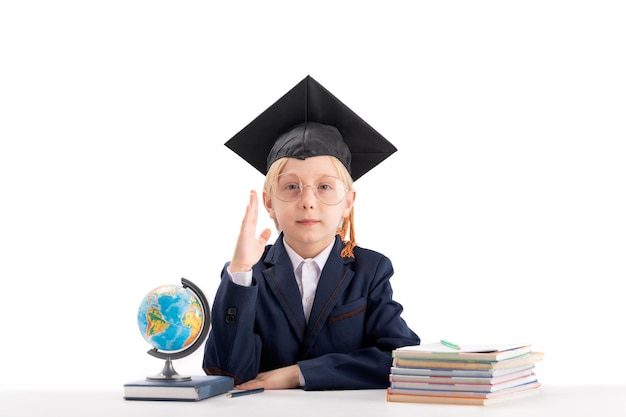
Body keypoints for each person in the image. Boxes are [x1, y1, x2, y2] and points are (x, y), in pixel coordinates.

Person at [202, 76, 419, 391]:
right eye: (291, 187)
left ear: (348, 202)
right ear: (269, 202)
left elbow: (401, 359)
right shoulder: (251, 276)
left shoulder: (370, 271)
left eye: (324, 187)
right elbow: (225, 371)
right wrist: (239, 274)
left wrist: (298, 374)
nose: (307, 201)